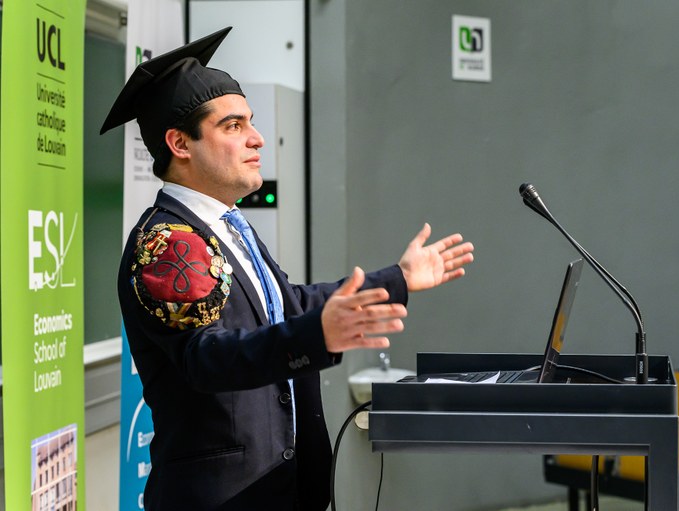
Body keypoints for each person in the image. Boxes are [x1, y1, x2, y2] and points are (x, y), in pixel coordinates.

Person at [101, 27, 474, 511]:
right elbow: (207, 356)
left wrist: (398, 278)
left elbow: (285, 304)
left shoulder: (226, 225)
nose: (257, 138)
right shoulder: (168, 243)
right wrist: (316, 336)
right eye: (233, 126)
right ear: (180, 143)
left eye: (251, 122)